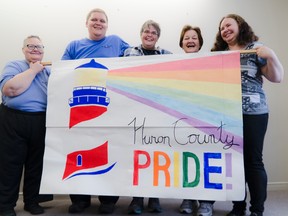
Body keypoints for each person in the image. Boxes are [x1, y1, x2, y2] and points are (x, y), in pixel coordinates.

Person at [210, 14, 284, 216]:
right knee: (233, 162)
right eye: (221, 27)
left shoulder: (255, 49)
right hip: (228, 114)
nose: (225, 30)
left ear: (239, 25)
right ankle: (238, 207)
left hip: (254, 113)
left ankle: (257, 210)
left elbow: (277, 78)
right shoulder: (219, 54)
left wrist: (271, 55)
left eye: (228, 25)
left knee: (253, 161)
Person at [61, 8, 130, 214]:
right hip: (80, 110)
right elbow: (61, 72)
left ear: (107, 25)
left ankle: (108, 199)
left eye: (102, 20)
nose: (98, 23)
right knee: (80, 150)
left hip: (110, 109)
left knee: (107, 150)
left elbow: (136, 57)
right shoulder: (74, 45)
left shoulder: (116, 41)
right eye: (94, 20)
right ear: (86, 23)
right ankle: (80, 199)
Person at [124, 20, 172, 214]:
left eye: (153, 32)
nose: (149, 35)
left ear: (158, 37)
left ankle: (154, 198)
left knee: (156, 154)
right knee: (138, 155)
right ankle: (137, 199)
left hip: (158, 112)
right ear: (141, 33)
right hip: (135, 111)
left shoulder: (167, 56)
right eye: (146, 31)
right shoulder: (129, 53)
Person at [0, 35, 51, 216]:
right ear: (23, 49)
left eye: (39, 47)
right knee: (10, 165)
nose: (36, 49)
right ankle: (5, 206)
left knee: (36, 164)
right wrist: (33, 70)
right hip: (14, 120)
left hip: (40, 120)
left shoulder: (48, 71)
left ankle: (32, 202)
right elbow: (10, 90)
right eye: (31, 46)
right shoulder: (14, 66)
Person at [177, 25, 214, 216]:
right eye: (186, 38)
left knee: (206, 158)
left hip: (206, 117)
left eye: (194, 37)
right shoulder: (172, 63)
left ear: (199, 41)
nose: (190, 40)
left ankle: (206, 202)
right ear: (181, 43)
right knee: (187, 159)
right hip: (182, 118)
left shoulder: (211, 61)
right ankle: (188, 198)